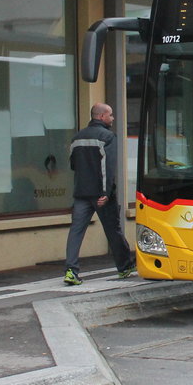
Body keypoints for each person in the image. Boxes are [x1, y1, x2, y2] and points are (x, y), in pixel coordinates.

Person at [63, 102, 137, 285]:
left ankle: (71, 271)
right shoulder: (108, 136)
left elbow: (73, 165)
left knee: (76, 231)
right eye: (110, 115)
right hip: (100, 194)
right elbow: (108, 167)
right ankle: (125, 266)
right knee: (113, 230)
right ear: (102, 116)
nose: (112, 118)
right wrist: (105, 192)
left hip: (81, 192)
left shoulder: (77, 138)